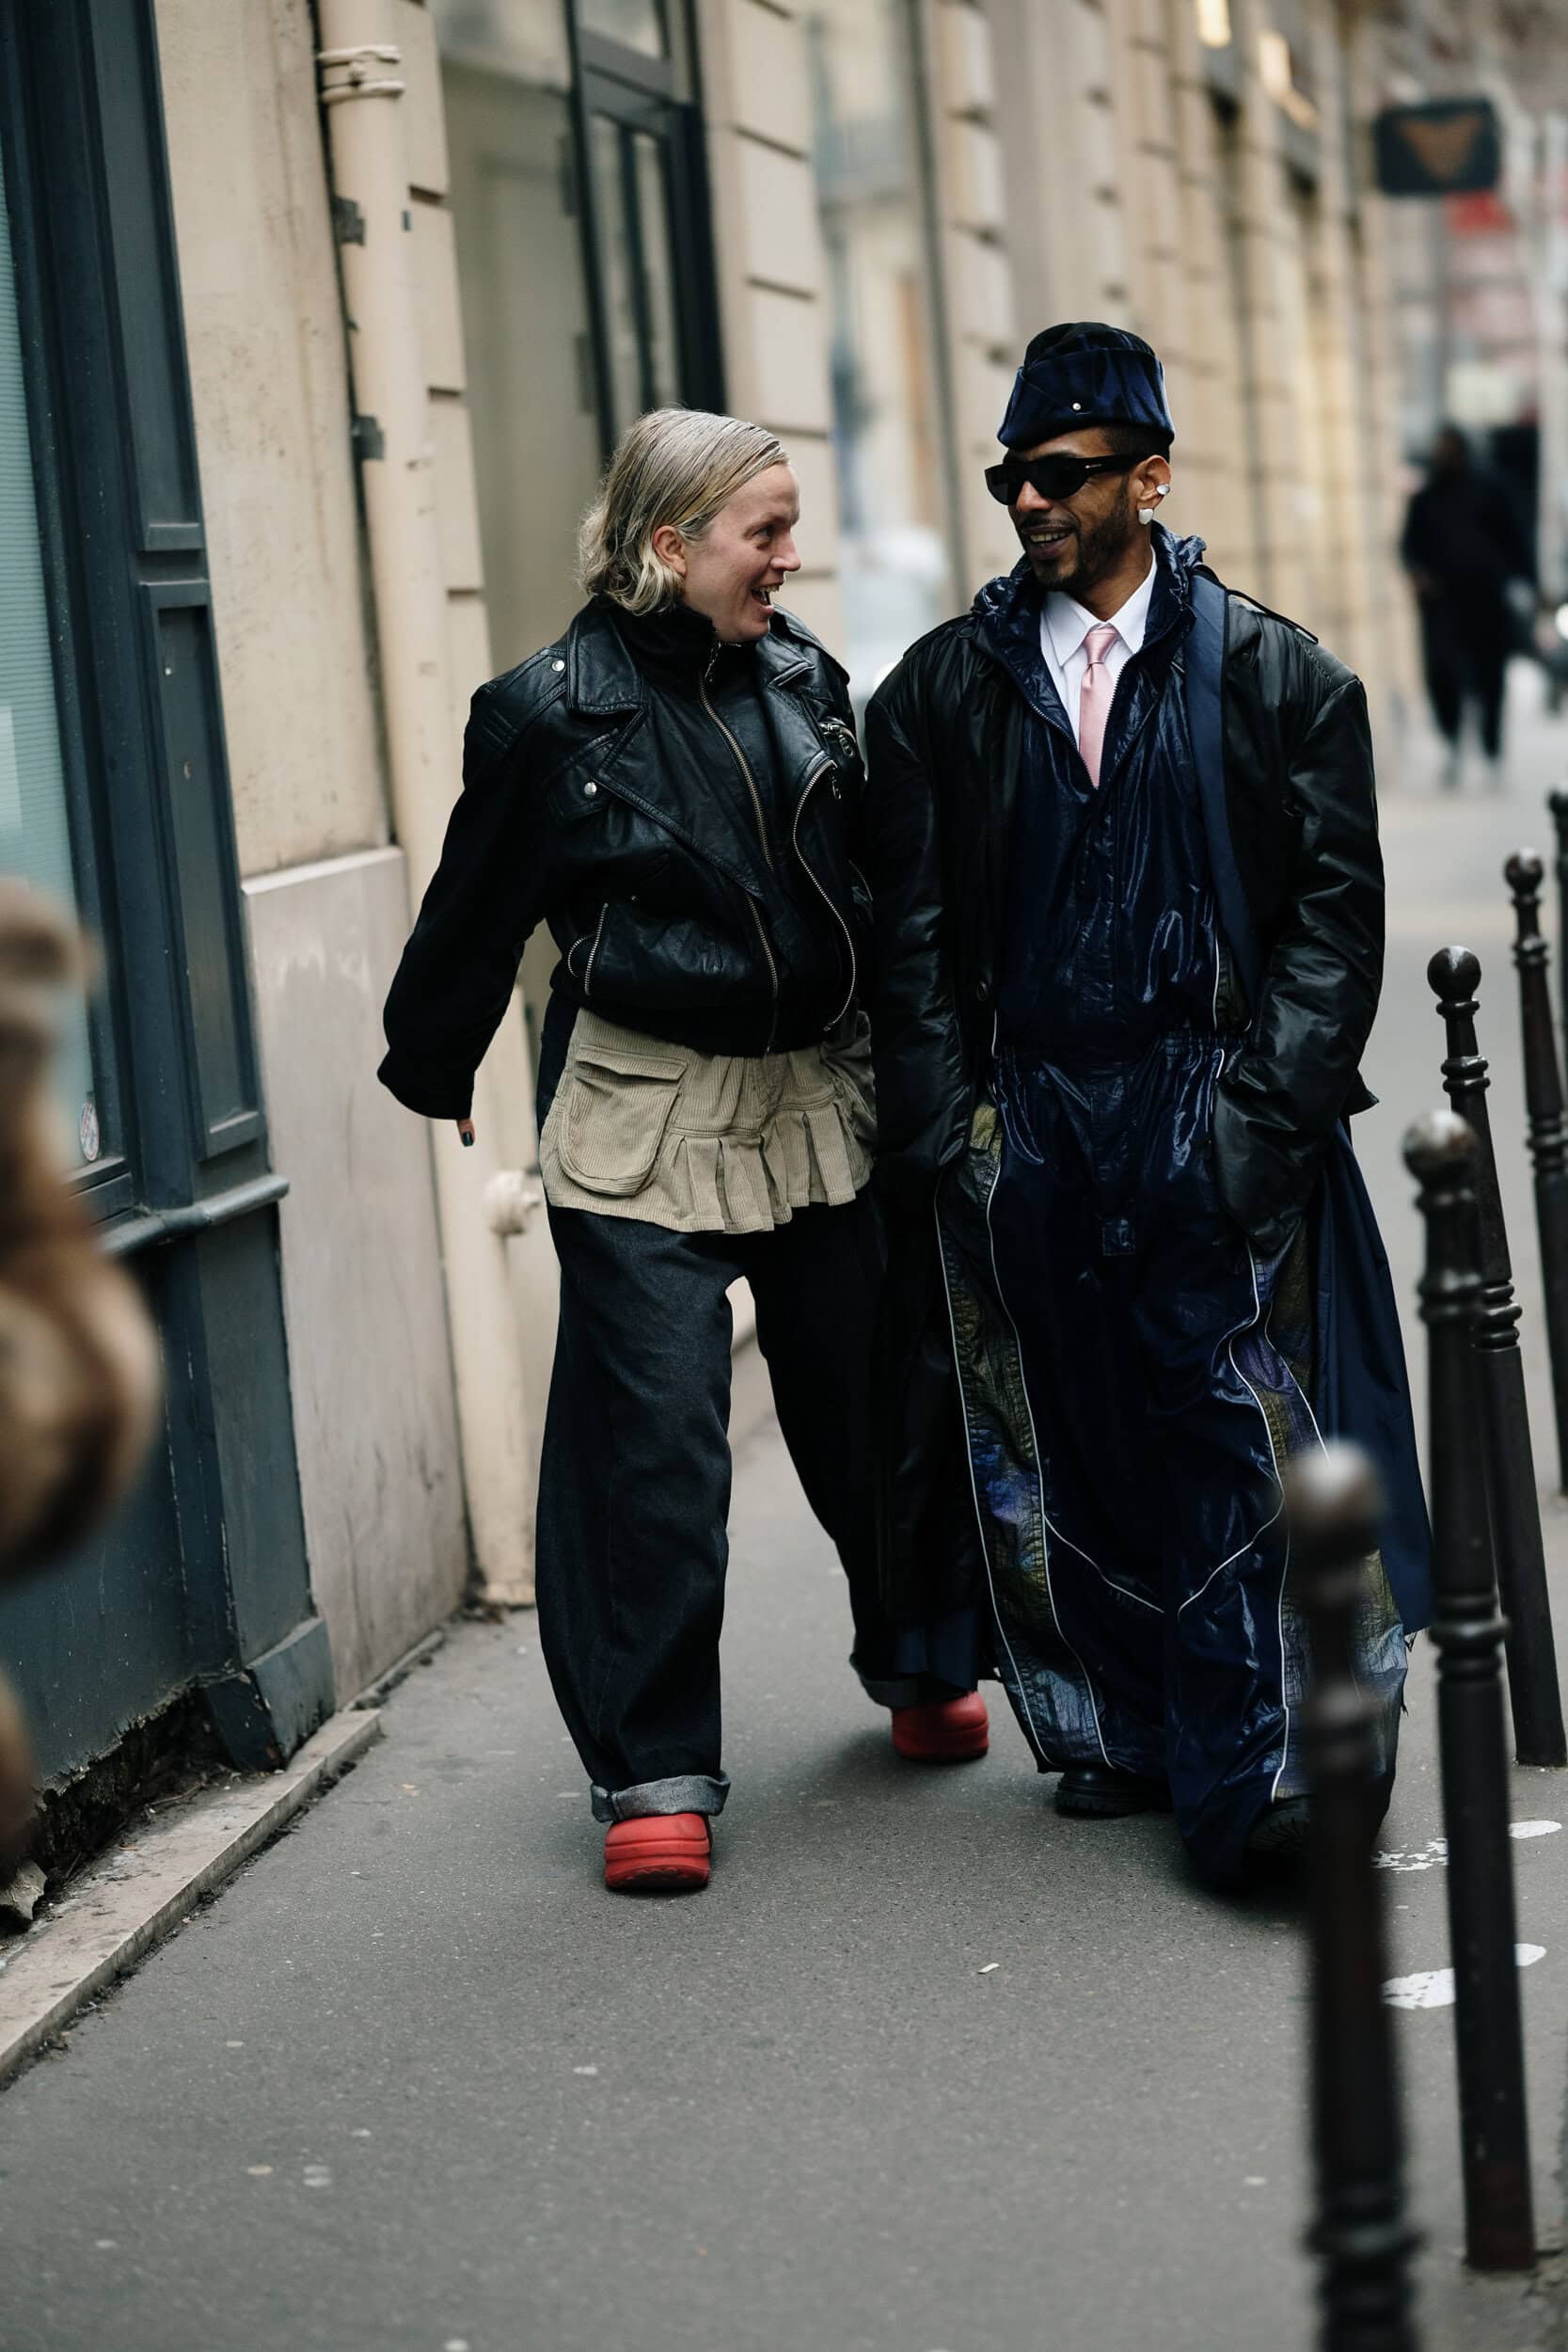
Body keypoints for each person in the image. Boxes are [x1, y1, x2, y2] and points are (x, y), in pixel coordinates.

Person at [379, 408, 985, 1896]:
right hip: (643, 1109)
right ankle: (652, 1764)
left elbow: (880, 878)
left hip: (814, 1100)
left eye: (788, 526)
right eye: (762, 531)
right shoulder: (542, 712)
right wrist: (435, 1058)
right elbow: (476, 900)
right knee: (648, 1435)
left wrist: (931, 1058)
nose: (790, 555)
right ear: (669, 547)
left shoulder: (806, 677)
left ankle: (917, 1655)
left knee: (872, 1408)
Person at [861, 324, 1429, 1889]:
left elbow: (1332, 920)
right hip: (1028, 1116)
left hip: (1206, 1103)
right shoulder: (940, 692)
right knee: (1066, 1438)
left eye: (1060, 475)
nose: (1028, 503)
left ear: (1149, 477)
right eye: (1010, 478)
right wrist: (949, 1131)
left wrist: (1258, 1123)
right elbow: (906, 937)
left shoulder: (1273, 674)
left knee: (1240, 1425)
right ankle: (1126, 1727)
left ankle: (1284, 1775)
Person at [1401, 423, 1534, 788]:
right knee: (1442, 675)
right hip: (1442, 607)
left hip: (1487, 603)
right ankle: (1452, 742)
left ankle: (1491, 750)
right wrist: (1419, 574)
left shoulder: (1492, 488)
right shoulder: (1427, 496)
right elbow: (1409, 546)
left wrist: (1523, 584)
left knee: (1490, 678)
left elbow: (1517, 538)